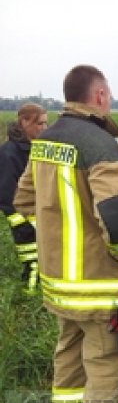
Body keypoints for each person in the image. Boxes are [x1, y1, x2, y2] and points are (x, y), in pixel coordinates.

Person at [14, 65, 118, 403]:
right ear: (99, 95)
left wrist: (56, 236)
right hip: (96, 285)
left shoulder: (46, 139)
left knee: (68, 354)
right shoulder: (99, 143)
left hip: (58, 283)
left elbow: (23, 200)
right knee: (104, 362)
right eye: (110, 94)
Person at [0, 103, 47, 294]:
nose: (44, 128)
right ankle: (28, 299)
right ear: (24, 122)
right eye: (40, 123)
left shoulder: (38, 148)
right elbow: (7, 195)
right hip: (23, 220)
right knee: (34, 263)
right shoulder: (9, 153)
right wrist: (27, 224)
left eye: (46, 123)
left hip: (41, 216)